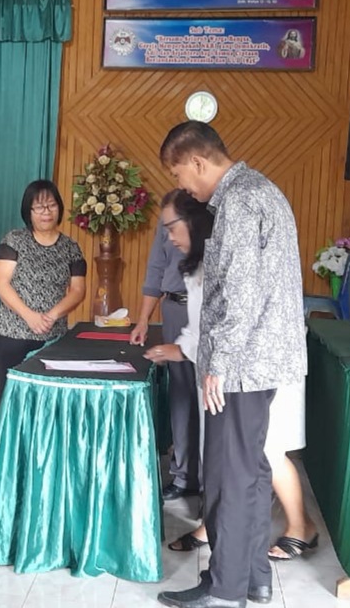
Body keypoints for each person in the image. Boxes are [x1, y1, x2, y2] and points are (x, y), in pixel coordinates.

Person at [155, 122, 306, 608]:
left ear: (197, 161)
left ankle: (224, 590)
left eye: (179, 174)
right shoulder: (261, 190)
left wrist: (217, 363)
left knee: (228, 475)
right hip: (261, 359)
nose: (183, 186)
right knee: (251, 469)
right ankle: (253, 578)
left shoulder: (239, 200)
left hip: (241, 364)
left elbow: (239, 294)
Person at [145, 190, 317, 564]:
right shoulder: (197, 263)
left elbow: (228, 322)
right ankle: (213, 524)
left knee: (268, 449)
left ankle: (300, 526)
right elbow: (201, 327)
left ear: (193, 223)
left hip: (260, 366)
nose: (168, 238)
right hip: (222, 370)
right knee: (219, 450)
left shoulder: (226, 259)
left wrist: (185, 349)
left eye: (171, 227)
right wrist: (178, 348)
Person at [130, 200, 200, 502]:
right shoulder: (170, 212)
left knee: (211, 397)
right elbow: (156, 267)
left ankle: (212, 480)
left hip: (208, 309)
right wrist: (143, 319)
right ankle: (184, 475)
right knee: (181, 395)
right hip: (175, 308)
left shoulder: (213, 209)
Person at [0, 180, 87, 401]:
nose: (46, 212)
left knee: (48, 400)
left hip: (53, 335)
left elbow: (78, 290)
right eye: (39, 207)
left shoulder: (71, 248)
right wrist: (30, 316)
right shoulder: (14, 241)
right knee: (12, 399)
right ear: (29, 210)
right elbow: (0, 283)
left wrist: (52, 316)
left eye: (52, 205)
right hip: (13, 334)